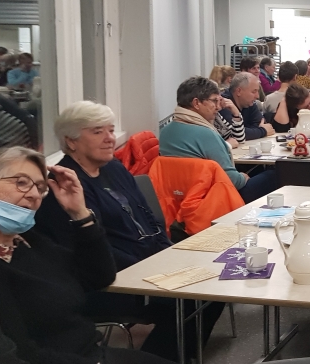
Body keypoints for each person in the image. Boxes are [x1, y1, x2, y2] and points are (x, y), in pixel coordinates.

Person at [35, 101, 224, 361]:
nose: (109, 138)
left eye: (111, 130)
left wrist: (169, 253)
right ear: (71, 141)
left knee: (216, 283)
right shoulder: (65, 187)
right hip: (110, 281)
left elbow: (148, 217)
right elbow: (91, 250)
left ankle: (182, 352)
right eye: (98, 131)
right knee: (193, 297)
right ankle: (162, 356)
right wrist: (151, 268)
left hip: (149, 263)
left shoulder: (113, 168)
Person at [0, 146, 175, 364]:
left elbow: (99, 277)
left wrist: (80, 214)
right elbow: (21, 354)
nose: (34, 194)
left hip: (90, 352)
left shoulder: (29, 242)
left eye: (40, 187)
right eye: (22, 182)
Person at [160, 77, 279, 203]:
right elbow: (232, 180)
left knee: (257, 171)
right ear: (196, 103)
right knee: (274, 174)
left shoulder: (165, 132)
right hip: (213, 198)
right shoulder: (205, 133)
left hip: (179, 197)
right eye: (214, 101)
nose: (218, 107)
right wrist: (243, 177)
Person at [219, 72, 274, 140]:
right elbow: (234, 133)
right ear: (239, 91)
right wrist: (262, 131)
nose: (257, 96)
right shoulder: (223, 103)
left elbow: (261, 122)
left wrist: (251, 131)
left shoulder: (249, 103)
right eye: (254, 91)